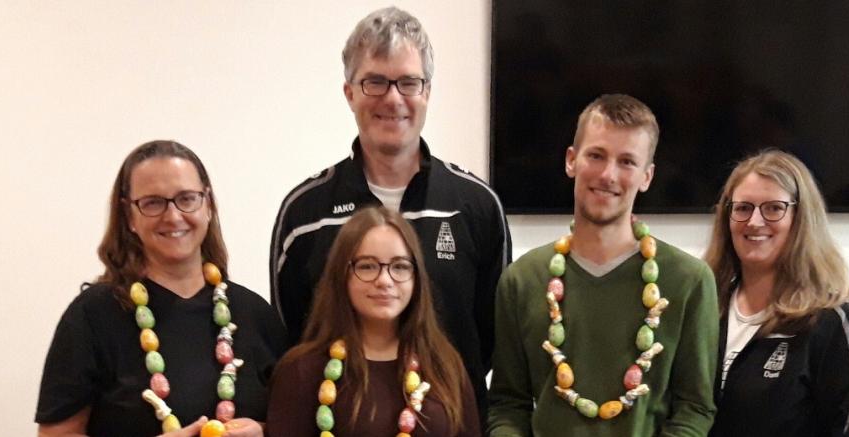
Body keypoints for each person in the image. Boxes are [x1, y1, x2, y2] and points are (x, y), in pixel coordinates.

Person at [269, 6, 511, 416]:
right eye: (375, 82)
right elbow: (290, 341)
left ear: (427, 92)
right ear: (349, 93)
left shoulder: (477, 206)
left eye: (408, 82)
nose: (393, 98)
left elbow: (494, 343)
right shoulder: (304, 214)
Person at [487, 94, 718, 436]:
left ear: (647, 177)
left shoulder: (689, 282)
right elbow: (507, 406)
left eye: (627, 162)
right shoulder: (522, 280)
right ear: (571, 160)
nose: (608, 174)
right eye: (596, 155)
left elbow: (695, 410)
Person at [36, 140, 287, 437]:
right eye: (153, 202)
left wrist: (262, 431)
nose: (173, 216)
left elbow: (294, 424)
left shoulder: (254, 313)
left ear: (208, 204)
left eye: (186, 198)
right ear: (129, 216)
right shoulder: (92, 315)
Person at [703, 150, 849, 437]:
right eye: (742, 208)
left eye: (774, 208)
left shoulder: (838, 325)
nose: (754, 221)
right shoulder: (704, 309)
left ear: (802, 219)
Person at [267, 206, 480, 436]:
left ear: (417, 278)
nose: (384, 280)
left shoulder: (445, 364)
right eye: (367, 266)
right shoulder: (301, 371)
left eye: (400, 266)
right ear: (342, 275)